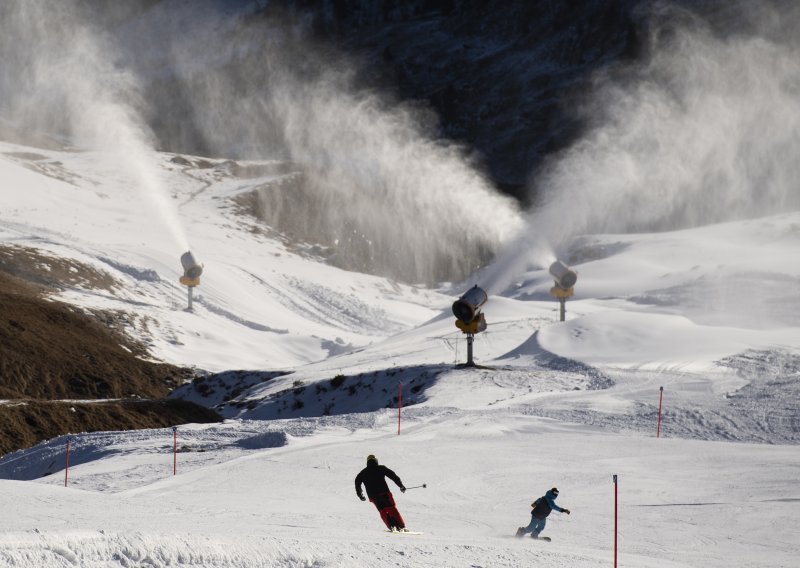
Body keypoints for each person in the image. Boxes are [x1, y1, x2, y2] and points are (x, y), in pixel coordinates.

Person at [355, 454, 408, 531]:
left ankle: (391, 527)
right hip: (384, 493)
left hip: (373, 496)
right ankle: (401, 526)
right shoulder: (381, 468)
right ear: (376, 460)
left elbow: (357, 483)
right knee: (391, 509)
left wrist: (360, 494)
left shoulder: (362, 473)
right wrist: (401, 485)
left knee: (382, 511)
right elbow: (393, 475)